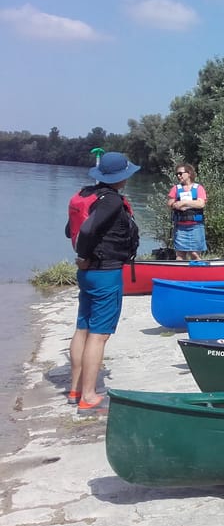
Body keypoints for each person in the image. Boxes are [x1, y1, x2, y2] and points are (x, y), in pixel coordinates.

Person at [65, 152, 140, 415]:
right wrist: (84, 256)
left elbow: (70, 230)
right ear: (121, 177)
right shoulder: (111, 202)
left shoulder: (89, 195)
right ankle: (88, 396)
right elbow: (86, 231)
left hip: (88, 275)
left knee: (83, 328)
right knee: (99, 335)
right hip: (104, 273)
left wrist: (82, 258)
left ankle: (75, 390)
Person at [168, 164, 207, 260]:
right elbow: (170, 203)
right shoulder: (175, 189)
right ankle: (179, 273)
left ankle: (198, 272)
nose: (178, 176)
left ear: (189, 173)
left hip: (196, 226)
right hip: (180, 227)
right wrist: (176, 205)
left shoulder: (199, 188)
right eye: (177, 174)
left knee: (194, 254)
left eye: (180, 173)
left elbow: (201, 204)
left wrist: (184, 202)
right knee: (180, 255)